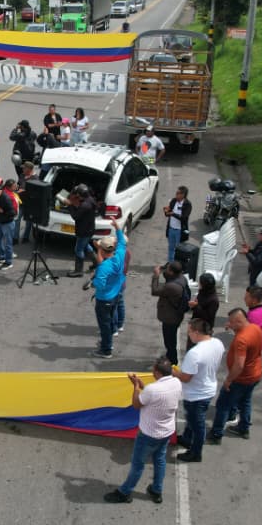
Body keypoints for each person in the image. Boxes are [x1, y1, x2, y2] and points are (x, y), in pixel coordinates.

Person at [103, 357, 180, 504]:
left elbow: (137, 404)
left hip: (149, 434)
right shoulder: (176, 382)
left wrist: (136, 387)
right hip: (166, 432)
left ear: (157, 372)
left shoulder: (153, 389)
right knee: (159, 460)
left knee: (138, 464)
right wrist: (141, 385)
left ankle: (125, 492)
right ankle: (156, 490)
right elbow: (154, 396)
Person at [207, 308, 262, 444]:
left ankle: (216, 434)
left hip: (241, 379)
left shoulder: (241, 340)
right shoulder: (255, 328)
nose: (228, 324)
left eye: (231, 322)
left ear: (238, 322)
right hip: (255, 374)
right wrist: (233, 330)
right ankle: (243, 428)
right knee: (245, 401)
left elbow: (239, 365)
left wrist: (228, 380)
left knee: (223, 405)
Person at [173, 319, 224, 462]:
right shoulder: (217, 343)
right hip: (208, 388)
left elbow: (186, 377)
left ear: (196, 332)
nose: (188, 334)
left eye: (189, 331)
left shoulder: (194, 353)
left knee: (197, 424)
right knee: (192, 419)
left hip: (196, 394)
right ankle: (187, 438)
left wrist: (173, 372)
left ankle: (196, 452)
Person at [89, 218, 126, 359]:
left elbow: (99, 284)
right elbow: (122, 241)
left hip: (104, 299)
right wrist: (117, 227)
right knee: (110, 322)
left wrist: (93, 281)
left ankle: (106, 350)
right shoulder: (120, 256)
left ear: (103, 251)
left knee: (104, 324)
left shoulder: (104, 267)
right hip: (116, 294)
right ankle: (108, 342)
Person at [151, 260, 188, 365]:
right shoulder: (181, 278)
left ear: (172, 272)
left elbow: (155, 290)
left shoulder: (172, 287)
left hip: (170, 318)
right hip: (176, 315)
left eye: (168, 269)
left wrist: (156, 276)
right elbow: (169, 277)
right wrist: (164, 270)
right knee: (170, 339)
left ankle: (172, 361)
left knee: (170, 341)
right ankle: (170, 356)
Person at [65, 184, 98, 278]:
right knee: (86, 246)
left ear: (81, 194)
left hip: (84, 231)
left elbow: (75, 216)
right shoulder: (90, 199)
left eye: (77, 194)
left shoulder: (85, 205)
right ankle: (97, 263)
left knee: (78, 249)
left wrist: (69, 205)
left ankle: (78, 271)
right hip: (89, 229)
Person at [0, 179, 18, 271]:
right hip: (0, 222)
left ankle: (8, 262)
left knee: (8, 244)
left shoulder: (6, 199)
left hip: (8, 224)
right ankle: (1, 256)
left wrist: (1, 211)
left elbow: (12, 213)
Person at [163, 185, 190, 265]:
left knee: (179, 250)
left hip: (180, 231)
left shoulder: (187, 204)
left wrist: (173, 214)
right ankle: (170, 264)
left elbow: (184, 218)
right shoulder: (173, 201)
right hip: (171, 229)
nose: (176, 194)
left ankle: (177, 266)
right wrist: (166, 211)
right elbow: (168, 213)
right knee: (171, 248)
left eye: (178, 193)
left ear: (183, 195)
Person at [244, 286, 262, 351]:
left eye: (246, 297)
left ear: (254, 300)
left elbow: (247, 335)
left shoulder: (255, 315)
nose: (244, 299)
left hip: (252, 350)